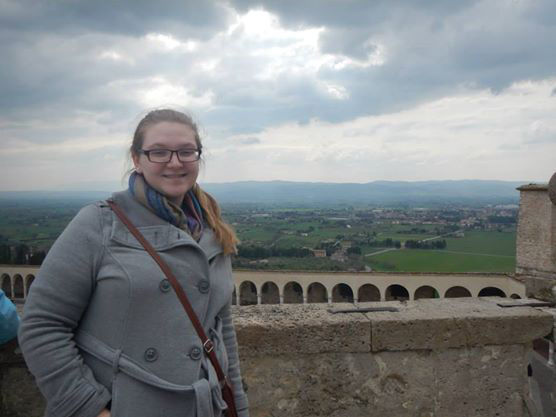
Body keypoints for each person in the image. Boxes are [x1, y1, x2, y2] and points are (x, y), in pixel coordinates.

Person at [18, 109, 249, 417]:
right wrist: (90, 408)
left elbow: (222, 332)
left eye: (186, 151)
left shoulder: (211, 231)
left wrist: (238, 407)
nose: (175, 162)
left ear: (198, 157)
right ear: (137, 159)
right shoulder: (99, 223)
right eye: (159, 152)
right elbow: (41, 324)